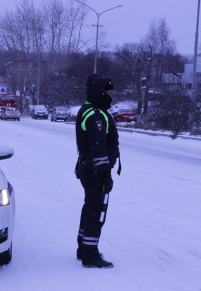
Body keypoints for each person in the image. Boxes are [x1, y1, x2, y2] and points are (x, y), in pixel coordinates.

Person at [75, 73, 120, 268]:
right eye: (107, 91)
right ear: (98, 92)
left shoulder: (89, 110)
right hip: (95, 172)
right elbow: (98, 148)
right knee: (96, 211)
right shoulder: (96, 115)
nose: (110, 95)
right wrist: (105, 175)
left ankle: (83, 249)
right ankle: (90, 255)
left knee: (90, 208)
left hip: (89, 169)